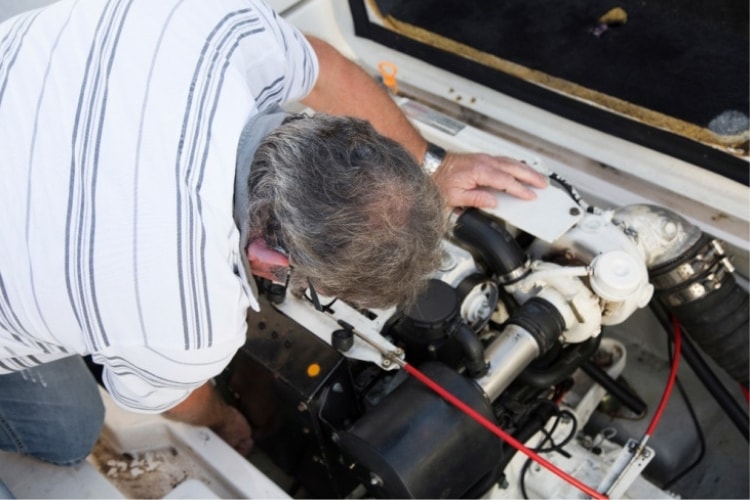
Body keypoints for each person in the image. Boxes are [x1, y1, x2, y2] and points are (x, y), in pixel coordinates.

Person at [0, 0, 547, 481]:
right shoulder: (188, 320)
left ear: (330, 128)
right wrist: (224, 419)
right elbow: (178, 402)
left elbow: (324, 66)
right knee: (67, 434)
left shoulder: (216, 26)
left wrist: (436, 165)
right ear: (267, 259)